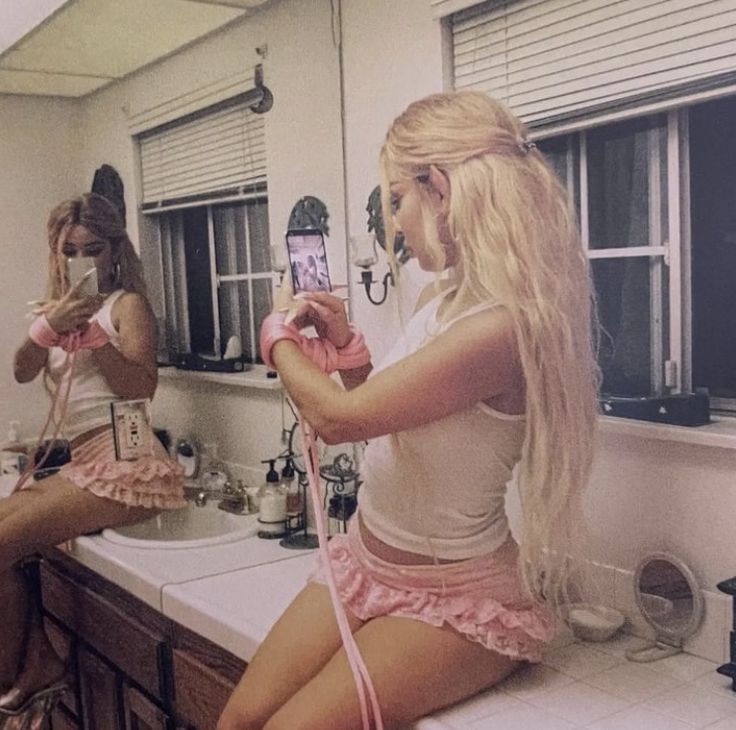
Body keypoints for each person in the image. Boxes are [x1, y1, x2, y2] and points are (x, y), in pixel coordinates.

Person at [218, 91, 599, 730]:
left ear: (441, 190)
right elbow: (393, 420)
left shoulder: (500, 328)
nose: (393, 223)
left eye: (397, 200)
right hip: (367, 562)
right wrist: (345, 349)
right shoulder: (444, 299)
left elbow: (340, 422)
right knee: (236, 721)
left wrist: (276, 333)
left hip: (458, 599)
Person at [1, 193, 185, 718]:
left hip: (126, 460)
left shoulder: (127, 305)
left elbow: (142, 390)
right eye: (70, 249)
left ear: (114, 250)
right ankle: (36, 656)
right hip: (85, 460)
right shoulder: (53, 309)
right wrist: (50, 326)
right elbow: (20, 369)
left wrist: (98, 339)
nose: (84, 258)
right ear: (56, 252)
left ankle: (25, 669)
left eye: (95, 248)